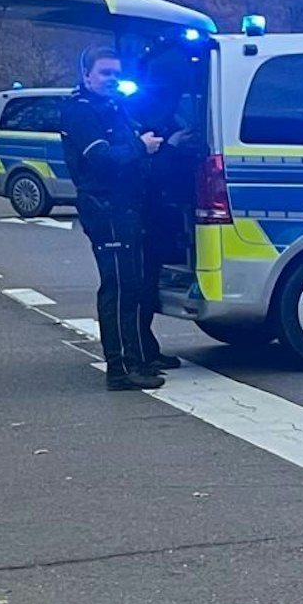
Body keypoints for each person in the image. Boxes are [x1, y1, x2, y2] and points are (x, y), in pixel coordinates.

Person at [60, 46, 183, 390]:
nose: (112, 79)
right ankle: (120, 368)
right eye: (104, 73)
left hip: (129, 205)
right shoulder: (80, 112)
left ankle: (143, 353)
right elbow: (102, 159)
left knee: (141, 283)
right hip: (106, 208)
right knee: (120, 287)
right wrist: (141, 147)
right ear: (86, 75)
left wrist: (165, 144)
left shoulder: (113, 108)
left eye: (116, 73)